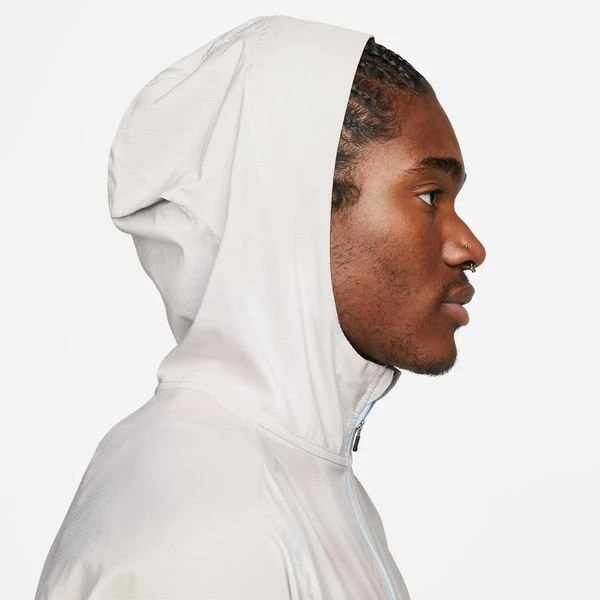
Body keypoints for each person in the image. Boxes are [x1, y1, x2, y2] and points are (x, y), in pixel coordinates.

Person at [34, 14, 486, 600]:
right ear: (294, 208)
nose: (469, 247)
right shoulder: (209, 521)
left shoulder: (303, 479)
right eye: (429, 196)